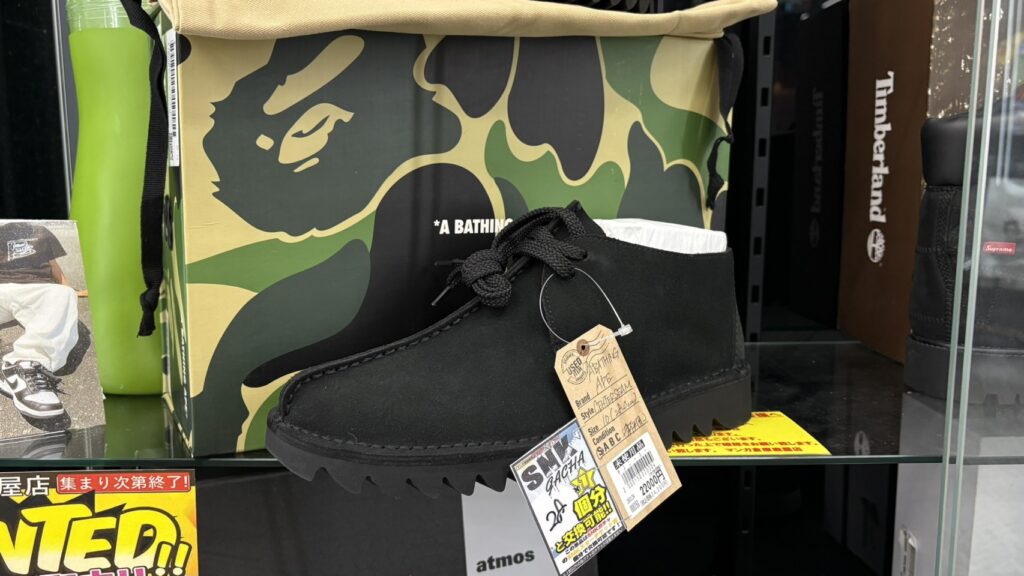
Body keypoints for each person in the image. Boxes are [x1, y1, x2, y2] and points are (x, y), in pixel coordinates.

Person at [0, 222, 85, 418]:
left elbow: (52, 264)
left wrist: (68, 289)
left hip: (37, 290)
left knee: (64, 295)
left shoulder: (40, 231)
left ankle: (24, 366)